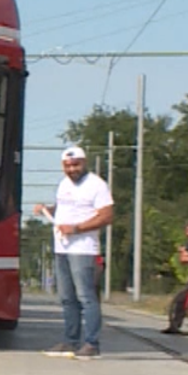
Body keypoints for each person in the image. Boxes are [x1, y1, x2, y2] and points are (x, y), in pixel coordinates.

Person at [32, 145, 113, 359]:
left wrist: (76, 228)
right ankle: (70, 341)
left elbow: (106, 216)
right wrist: (47, 210)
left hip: (84, 248)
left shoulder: (97, 185)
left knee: (86, 296)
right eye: (67, 165)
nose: (71, 169)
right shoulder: (63, 185)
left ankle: (92, 343)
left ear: (84, 162)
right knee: (67, 297)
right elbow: (63, 209)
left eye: (75, 164)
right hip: (62, 246)